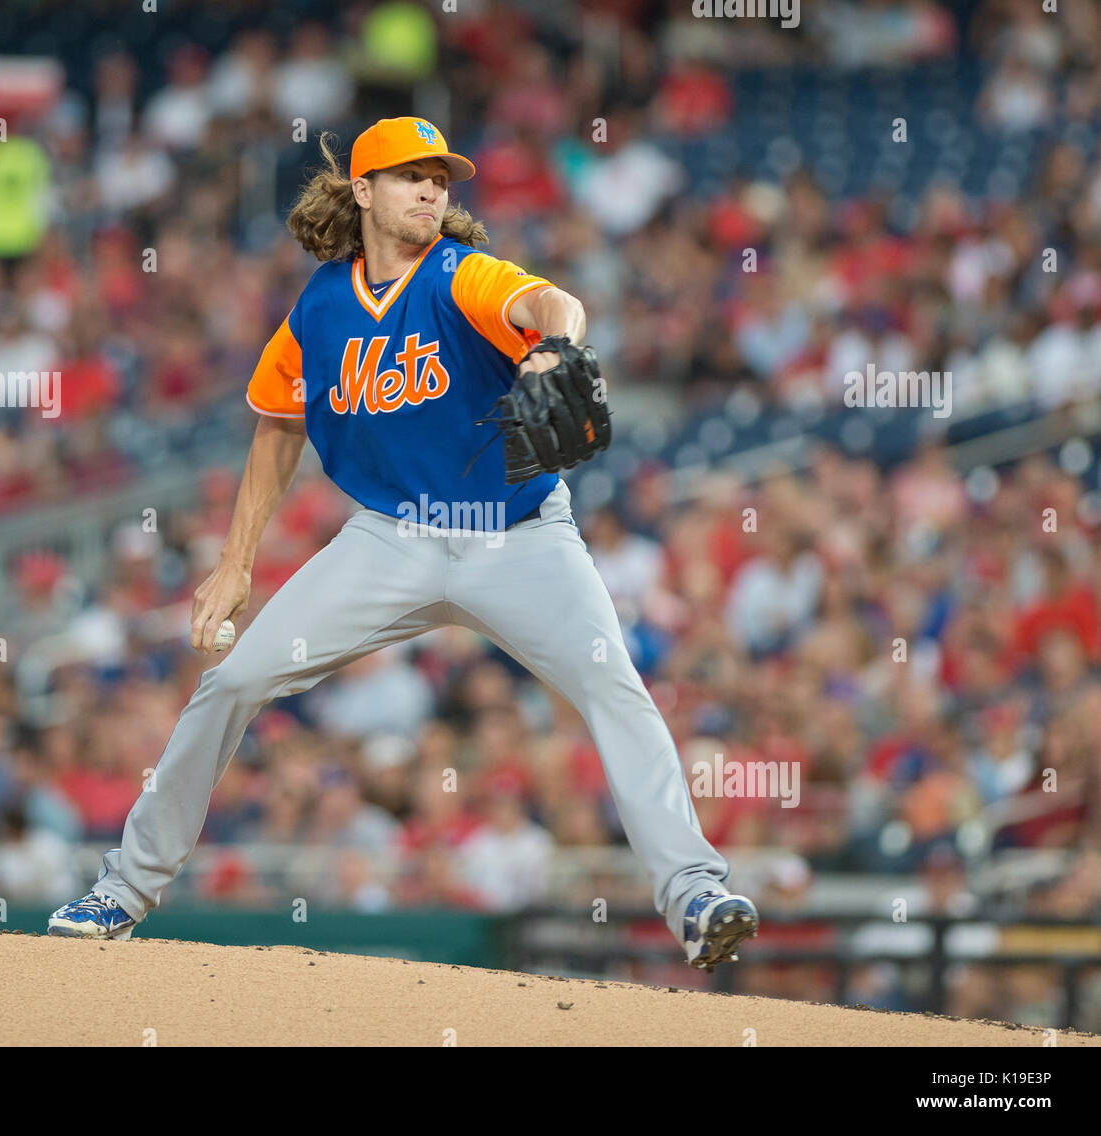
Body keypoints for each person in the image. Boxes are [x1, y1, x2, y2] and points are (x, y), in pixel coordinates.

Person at [47, 116, 758, 970]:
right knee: (233, 680)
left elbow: (546, 301)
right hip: (390, 541)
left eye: (441, 177)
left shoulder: (461, 277)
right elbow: (278, 427)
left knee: (615, 689)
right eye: (410, 175)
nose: (432, 189)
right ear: (363, 190)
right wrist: (234, 563)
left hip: (519, 538)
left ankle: (693, 892)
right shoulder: (318, 306)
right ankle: (124, 889)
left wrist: (559, 342)